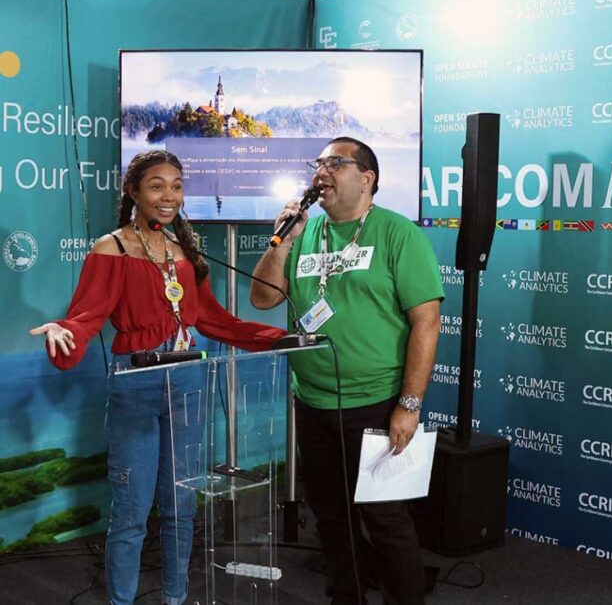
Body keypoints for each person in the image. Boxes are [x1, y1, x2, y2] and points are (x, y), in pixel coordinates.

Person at [29, 150, 286, 605]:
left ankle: (176, 597)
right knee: (130, 513)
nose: (169, 196)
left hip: (187, 380)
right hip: (137, 382)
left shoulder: (184, 251)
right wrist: (63, 332)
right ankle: (122, 601)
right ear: (133, 192)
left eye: (176, 185)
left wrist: (277, 337)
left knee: (181, 507)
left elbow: (214, 320)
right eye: (156, 186)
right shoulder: (112, 247)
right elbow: (85, 317)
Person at [251, 137, 443, 605]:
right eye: (319, 163)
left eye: (335, 163)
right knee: (331, 516)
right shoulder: (305, 232)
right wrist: (283, 241)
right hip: (313, 401)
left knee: (385, 518)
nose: (322, 171)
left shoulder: (398, 234)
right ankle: (348, 595)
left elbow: (427, 323)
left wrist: (409, 405)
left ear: (367, 178)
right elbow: (263, 298)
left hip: (376, 403)